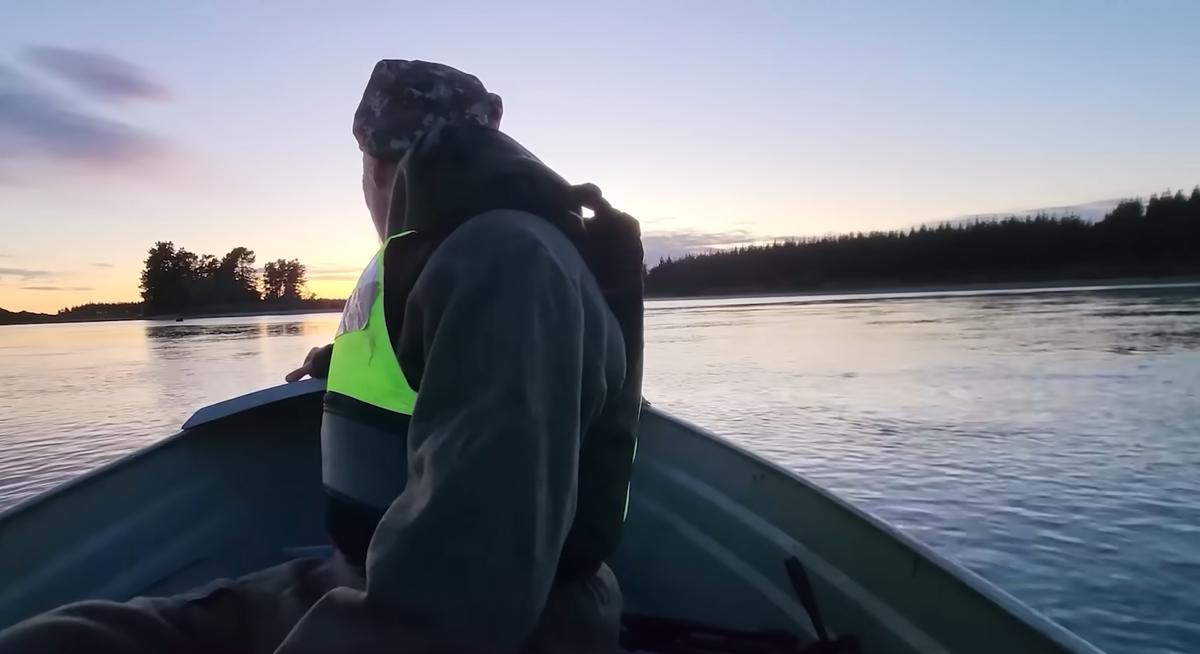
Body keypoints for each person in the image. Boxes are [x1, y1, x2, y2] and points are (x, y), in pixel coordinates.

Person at [0, 60, 644, 654]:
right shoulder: (448, 252)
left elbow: (462, 600)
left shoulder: (509, 266)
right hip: (362, 575)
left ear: (376, 161)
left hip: (483, 622)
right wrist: (339, 359)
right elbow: (430, 362)